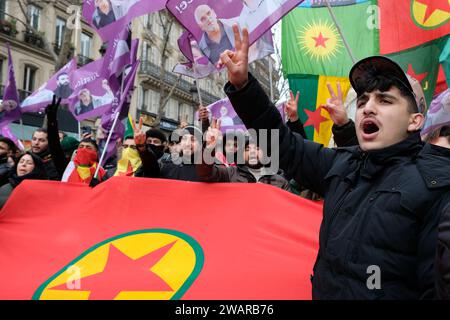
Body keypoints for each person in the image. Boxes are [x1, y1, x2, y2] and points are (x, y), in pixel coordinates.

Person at [219, 25, 448, 299]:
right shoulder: (343, 163)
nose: (368, 108)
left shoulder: (436, 187)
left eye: (385, 100)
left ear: (415, 121)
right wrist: (243, 87)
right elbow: (282, 146)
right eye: (363, 101)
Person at [198, 119, 291, 191]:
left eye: (258, 148)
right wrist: (209, 148)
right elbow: (205, 173)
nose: (253, 152)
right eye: (247, 149)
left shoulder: (280, 182)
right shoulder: (230, 173)